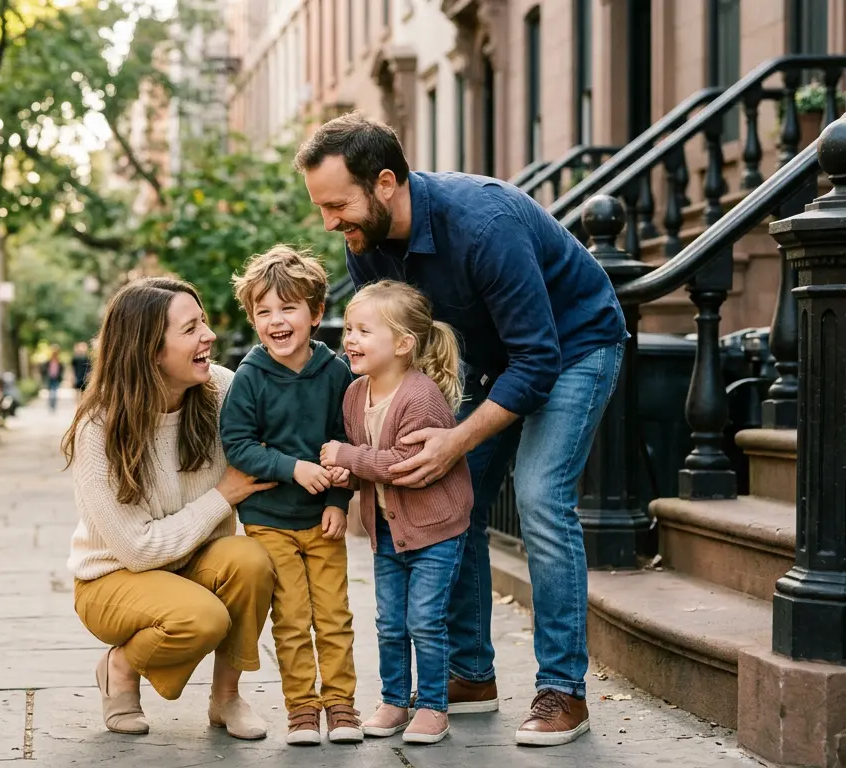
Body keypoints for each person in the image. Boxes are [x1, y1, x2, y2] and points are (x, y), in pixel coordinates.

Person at [296, 113, 626, 746]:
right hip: (489, 360)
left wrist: (455, 438)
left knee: (539, 497)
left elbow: (539, 359)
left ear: (385, 183)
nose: (329, 222)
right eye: (321, 207)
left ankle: (564, 691)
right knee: (452, 496)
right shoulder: (367, 243)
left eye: (337, 205)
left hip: (575, 346)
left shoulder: (484, 224)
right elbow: (401, 360)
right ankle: (471, 674)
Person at [64, 277, 278, 740]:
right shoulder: (99, 429)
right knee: (201, 618)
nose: (209, 336)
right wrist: (223, 495)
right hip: (114, 577)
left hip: (193, 561)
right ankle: (120, 667)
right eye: (190, 329)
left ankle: (226, 699)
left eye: (202, 322)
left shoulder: (222, 389)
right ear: (150, 351)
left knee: (252, 561)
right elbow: (138, 550)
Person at [319, 280, 473, 745]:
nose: (350, 339)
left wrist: (348, 458)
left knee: (425, 621)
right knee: (389, 622)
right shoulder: (353, 394)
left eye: (364, 330)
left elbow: (407, 467)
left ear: (404, 344)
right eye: (348, 328)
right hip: (387, 531)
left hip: (435, 530)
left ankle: (432, 707)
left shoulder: (420, 397)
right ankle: (394, 700)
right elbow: (370, 460)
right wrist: (351, 476)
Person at [218, 247, 360, 746]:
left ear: (316, 313)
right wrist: (291, 467)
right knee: (293, 621)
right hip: (269, 521)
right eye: (263, 312)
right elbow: (236, 445)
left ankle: (341, 706)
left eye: (288, 308)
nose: (276, 321)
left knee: (335, 616)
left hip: (322, 522)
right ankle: (302, 709)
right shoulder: (250, 377)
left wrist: (339, 503)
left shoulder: (337, 374)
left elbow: (349, 444)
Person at [43, 346, 64, 412]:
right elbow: (44, 370)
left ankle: (53, 405)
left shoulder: (59, 362)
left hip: (56, 379)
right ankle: (51, 405)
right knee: (51, 393)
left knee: (54, 392)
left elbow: (61, 370)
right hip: (50, 378)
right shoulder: (48, 362)